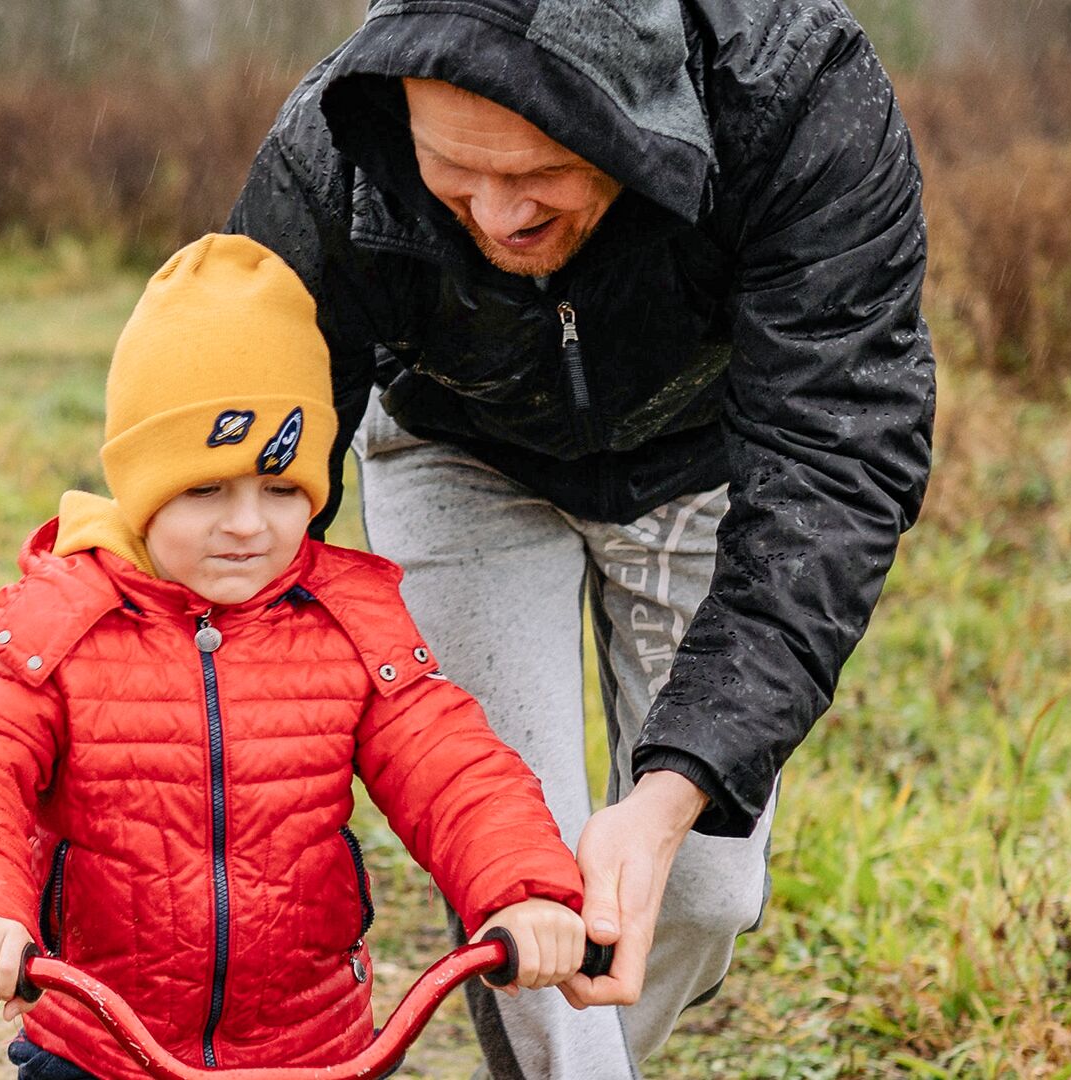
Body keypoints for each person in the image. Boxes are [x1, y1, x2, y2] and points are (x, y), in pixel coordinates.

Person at [226, 1, 936, 1075]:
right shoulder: (335, 149)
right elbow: (252, 469)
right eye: (456, 173)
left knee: (699, 888)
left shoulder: (797, 96)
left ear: (636, 117)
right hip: (458, 447)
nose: (502, 216)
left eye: (542, 173)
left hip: (699, 458)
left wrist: (667, 798)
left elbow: (837, 464)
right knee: (523, 867)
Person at [0, 234, 589, 1079]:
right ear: (142, 486)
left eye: (280, 487)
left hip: (312, 1046)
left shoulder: (349, 621)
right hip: (102, 1042)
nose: (249, 525)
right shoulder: (64, 620)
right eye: (205, 489)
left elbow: (455, 768)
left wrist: (522, 889)